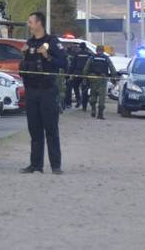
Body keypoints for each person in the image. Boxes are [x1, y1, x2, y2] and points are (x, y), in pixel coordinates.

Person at [19, 12, 66, 175]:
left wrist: (47, 56)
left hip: (47, 91)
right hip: (31, 90)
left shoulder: (52, 42)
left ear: (39, 23)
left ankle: (55, 165)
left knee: (51, 129)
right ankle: (35, 164)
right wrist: (23, 53)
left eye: (31, 22)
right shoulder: (29, 43)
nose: (29, 25)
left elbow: (64, 63)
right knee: (34, 130)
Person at [82, 45, 117, 120]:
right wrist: (114, 77)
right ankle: (100, 113)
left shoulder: (92, 57)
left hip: (93, 78)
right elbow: (112, 68)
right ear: (103, 50)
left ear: (96, 50)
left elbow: (86, 68)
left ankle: (93, 109)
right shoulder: (106, 58)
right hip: (102, 78)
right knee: (102, 96)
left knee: (93, 93)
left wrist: (84, 77)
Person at [69, 44, 92, 110]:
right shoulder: (89, 55)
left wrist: (69, 74)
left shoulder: (77, 54)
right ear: (85, 48)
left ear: (80, 48)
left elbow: (72, 64)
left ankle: (78, 99)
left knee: (76, 87)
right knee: (85, 89)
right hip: (86, 74)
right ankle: (84, 105)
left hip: (77, 73)